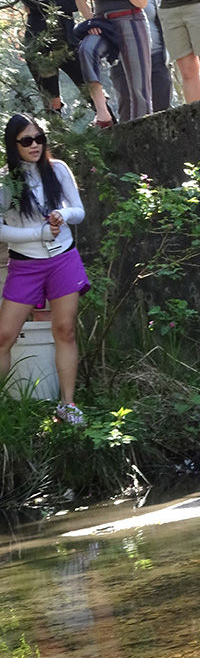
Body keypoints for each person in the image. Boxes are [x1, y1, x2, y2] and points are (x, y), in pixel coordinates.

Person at [0, 114, 90, 425]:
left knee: (64, 330)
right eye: (27, 140)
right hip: (25, 265)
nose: (35, 145)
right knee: (4, 335)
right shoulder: (5, 181)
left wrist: (61, 215)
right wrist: (37, 234)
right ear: (13, 145)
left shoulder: (58, 169)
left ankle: (67, 405)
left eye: (39, 139)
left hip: (63, 258)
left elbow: (78, 211)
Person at [11, 0, 112, 124]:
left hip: (69, 41)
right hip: (39, 47)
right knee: (52, 104)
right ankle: (57, 145)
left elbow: (74, 2)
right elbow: (31, 3)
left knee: (92, 92)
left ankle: (114, 130)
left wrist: (46, 5)